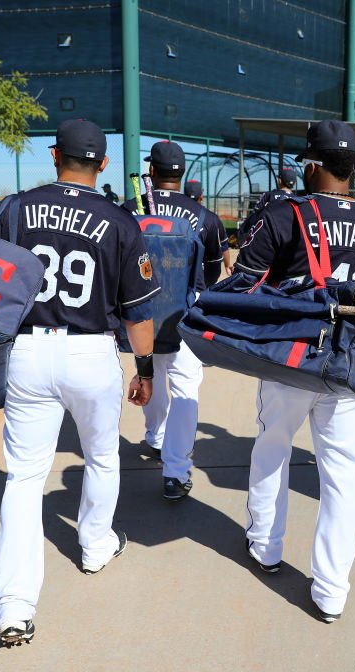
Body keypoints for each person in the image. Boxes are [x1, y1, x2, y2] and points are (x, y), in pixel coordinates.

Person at [0, 118, 160, 647]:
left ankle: (13, 605)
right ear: (103, 163)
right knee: (102, 456)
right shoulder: (122, 221)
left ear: (54, 155)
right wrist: (145, 369)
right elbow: (138, 314)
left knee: (23, 478)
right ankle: (95, 546)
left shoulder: (14, 208)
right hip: (90, 352)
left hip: (28, 349)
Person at [235, 120, 355, 623]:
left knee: (273, 446)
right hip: (351, 363)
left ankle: (265, 546)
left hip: (290, 356)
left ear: (311, 164)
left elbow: (243, 283)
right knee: (344, 479)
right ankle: (331, 592)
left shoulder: (284, 214)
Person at [123, 141, 228, 500]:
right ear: (181, 175)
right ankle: (175, 472)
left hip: (142, 309)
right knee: (184, 387)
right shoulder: (205, 218)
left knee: (148, 370)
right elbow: (212, 273)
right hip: (186, 309)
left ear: (151, 171)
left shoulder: (128, 211)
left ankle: (155, 438)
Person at [236, 166, 298, 246]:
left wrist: (239, 234)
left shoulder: (269, 196)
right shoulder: (299, 200)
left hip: (269, 238)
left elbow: (255, 216)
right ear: (295, 183)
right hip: (291, 240)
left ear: (279, 181)